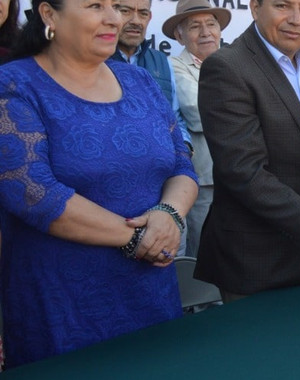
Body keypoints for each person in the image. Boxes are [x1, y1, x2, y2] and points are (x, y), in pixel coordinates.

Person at [0, 0, 198, 367]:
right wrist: (141, 238)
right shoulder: (13, 84)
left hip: (151, 291)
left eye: (116, 6)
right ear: (48, 15)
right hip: (62, 304)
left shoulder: (139, 81)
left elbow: (182, 165)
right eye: (94, 5)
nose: (113, 19)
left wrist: (170, 213)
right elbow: (32, 193)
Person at [195, 0, 300, 301]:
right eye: (283, 5)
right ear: (255, 7)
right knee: (262, 349)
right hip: (255, 263)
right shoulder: (226, 67)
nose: (296, 19)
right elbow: (243, 171)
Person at [164, 0, 231, 258]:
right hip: (205, 178)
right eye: (195, 26)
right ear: (179, 35)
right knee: (204, 251)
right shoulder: (174, 66)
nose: (206, 32)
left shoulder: (234, 62)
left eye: (211, 24)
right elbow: (199, 113)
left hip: (243, 172)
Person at [110, 0, 193, 160]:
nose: (136, 21)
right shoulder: (95, 61)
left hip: (165, 168)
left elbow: (175, 118)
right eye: (126, 11)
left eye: (143, 13)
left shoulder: (162, 61)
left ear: (149, 17)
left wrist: (185, 149)